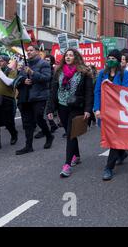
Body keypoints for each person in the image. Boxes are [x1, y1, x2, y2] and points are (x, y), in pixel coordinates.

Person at [46, 49, 94, 178]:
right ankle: (76, 156)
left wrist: (88, 110)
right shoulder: (59, 72)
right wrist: (50, 109)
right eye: (66, 55)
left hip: (77, 106)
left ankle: (67, 165)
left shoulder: (84, 72)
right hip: (62, 106)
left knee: (70, 135)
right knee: (70, 133)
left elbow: (89, 92)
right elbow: (53, 91)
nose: (68, 57)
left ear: (76, 57)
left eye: (71, 55)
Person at [94, 50, 128, 181]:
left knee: (112, 139)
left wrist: (111, 86)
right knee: (110, 137)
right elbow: (97, 91)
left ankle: (108, 167)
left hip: (117, 112)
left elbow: (125, 91)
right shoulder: (102, 73)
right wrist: (96, 108)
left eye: (113, 58)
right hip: (104, 110)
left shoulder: (124, 74)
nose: (110, 60)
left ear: (119, 60)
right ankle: (122, 153)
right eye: (109, 57)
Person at [15, 46, 55, 155]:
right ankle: (28, 146)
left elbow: (46, 78)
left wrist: (32, 73)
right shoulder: (24, 65)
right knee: (28, 122)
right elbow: (18, 79)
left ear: (37, 52)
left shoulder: (44, 64)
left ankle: (49, 136)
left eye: (31, 50)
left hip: (39, 96)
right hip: (26, 97)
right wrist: (24, 80)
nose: (28, 52)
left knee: (38, 117)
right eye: (27, 51)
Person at [0, 55, 18, 149]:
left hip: (7, 99)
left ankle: (14, 134)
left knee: (8, 122)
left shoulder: (11, 71)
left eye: (1, 61)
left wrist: (0, 72)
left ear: (6, 62)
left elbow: (9, 83)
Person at [35, 54, 59, 139]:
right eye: (45, 59)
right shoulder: (42, 70)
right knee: (44, 112)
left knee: (45, 112)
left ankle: (45, 130)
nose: (46, 61)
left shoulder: (54, 71)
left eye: (48, 60)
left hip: (50, 93)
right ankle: (52, 125)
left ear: (52, 61)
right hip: (42, 93)